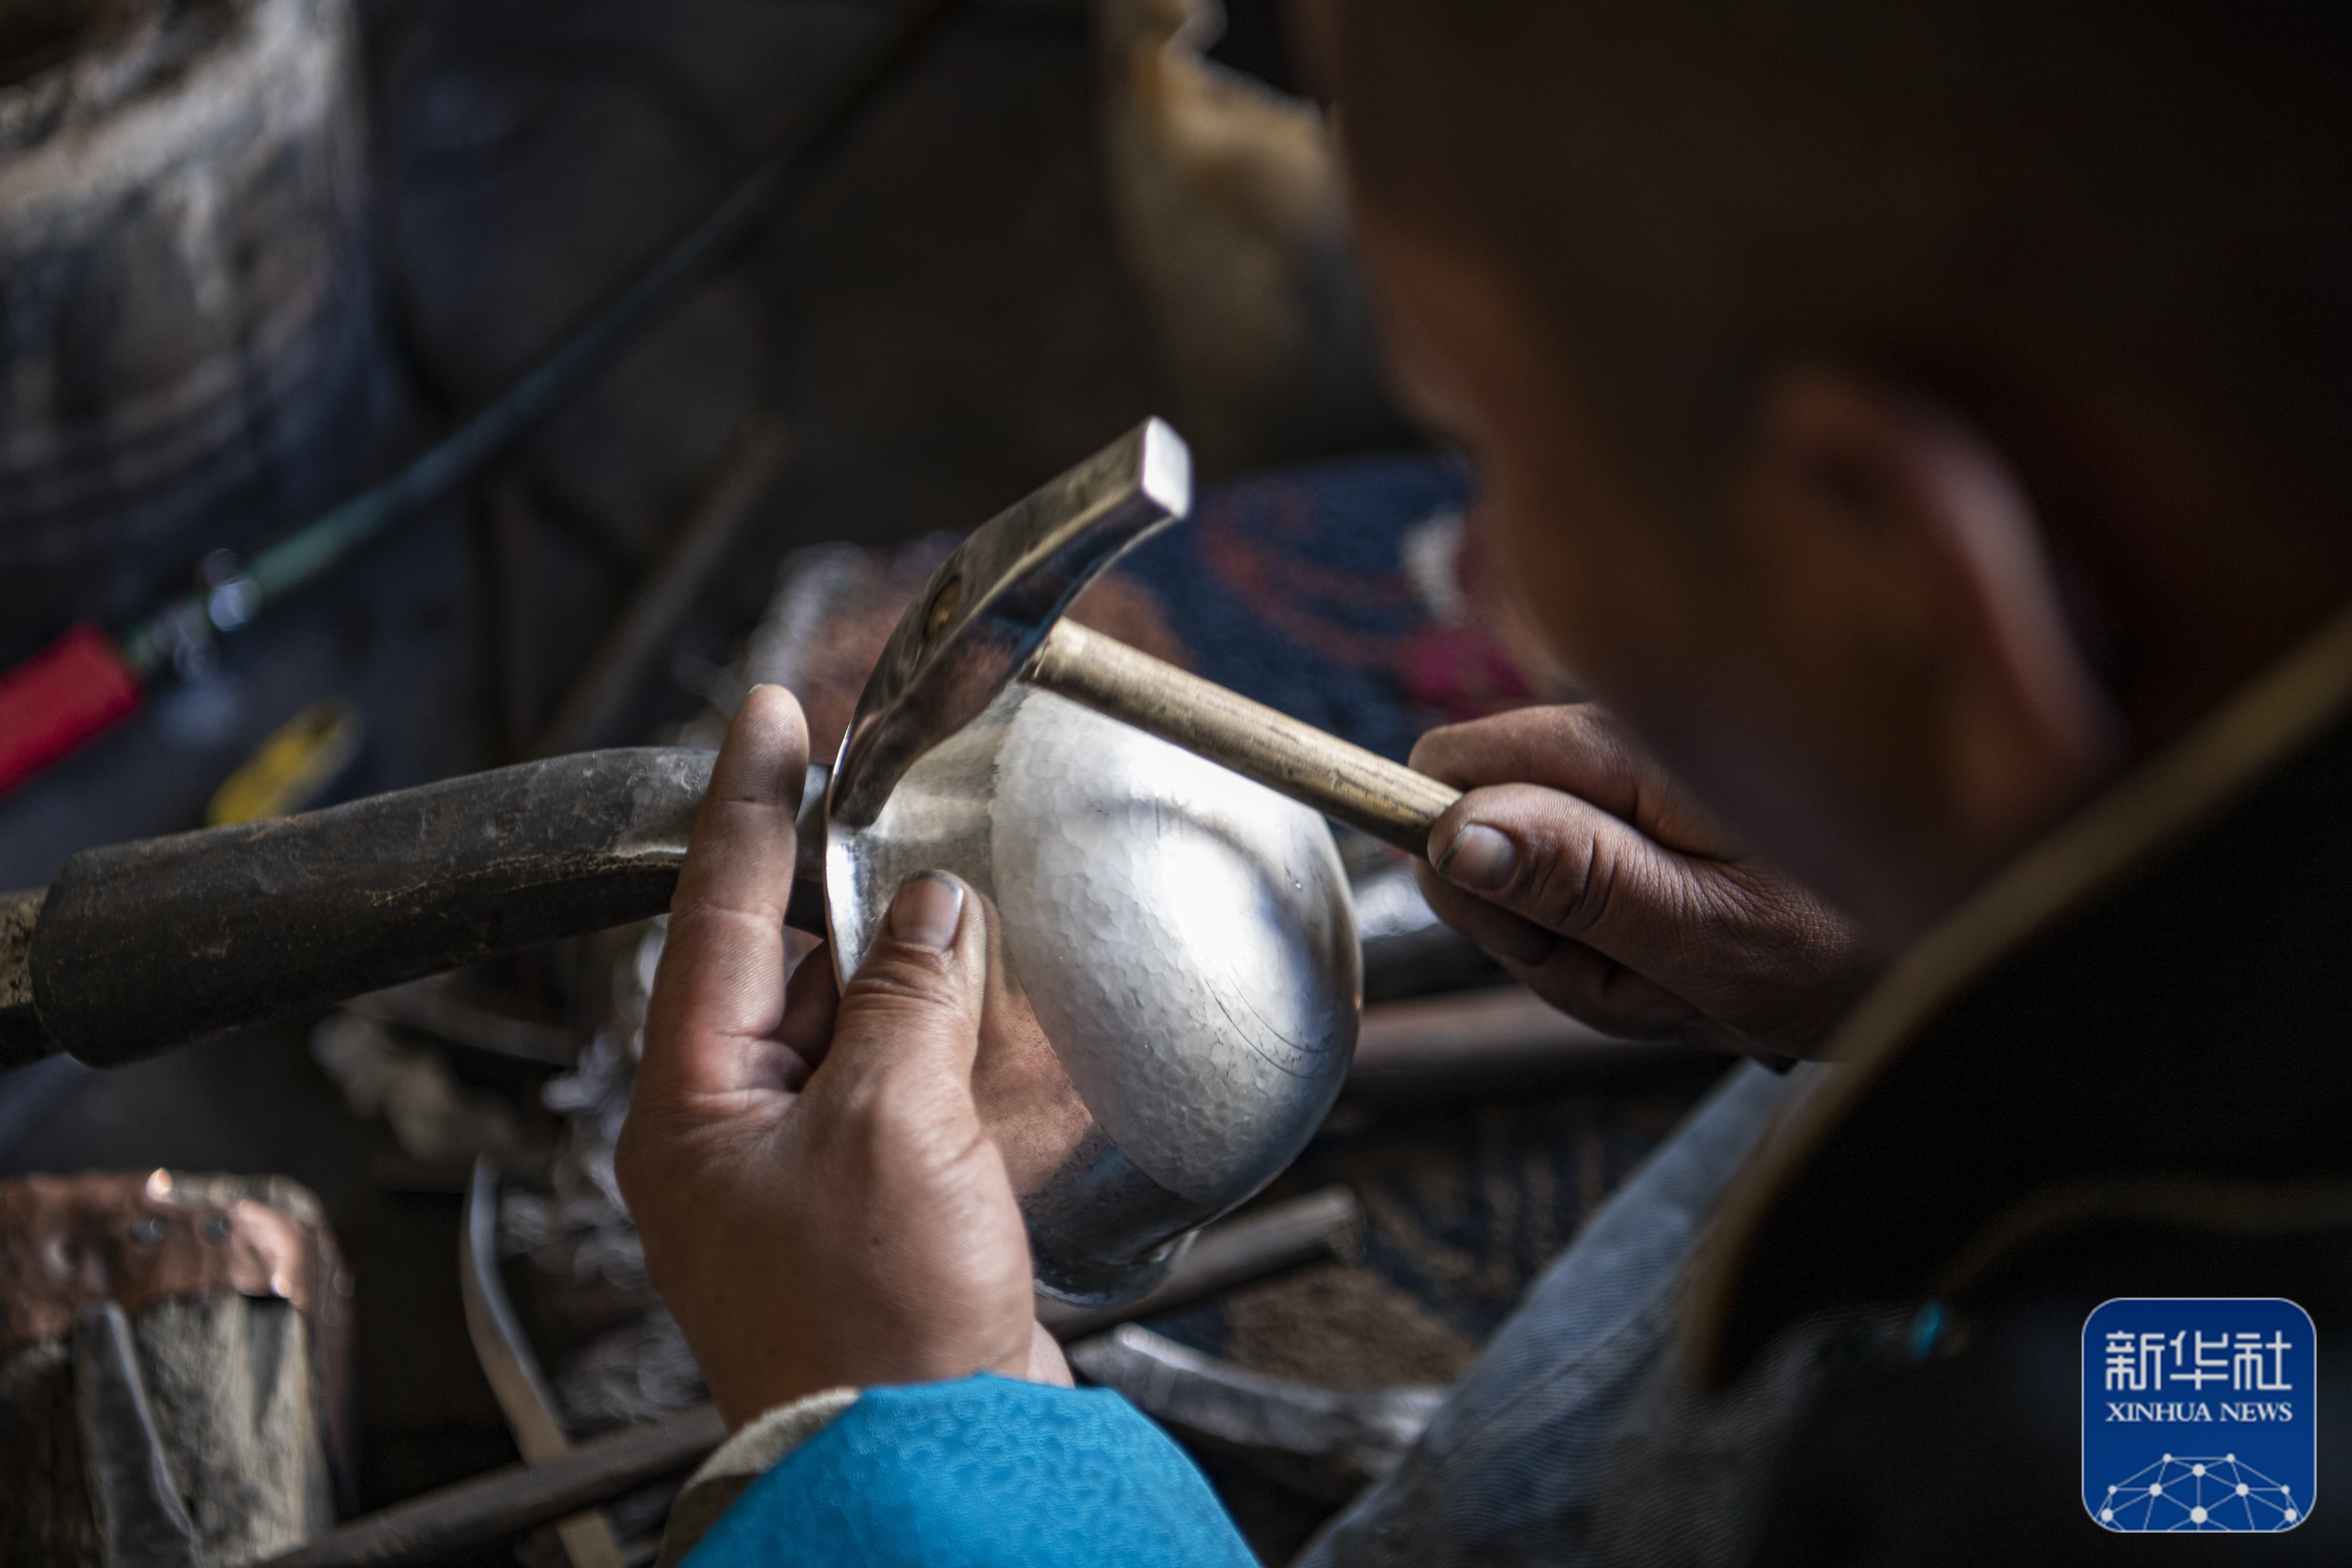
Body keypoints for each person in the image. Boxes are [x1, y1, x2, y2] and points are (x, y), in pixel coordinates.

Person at [615, 1, 2352, 1562]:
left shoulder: (2123, 1466)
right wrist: (1971, 912)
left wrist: (928, 1442)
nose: (1480, 558)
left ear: (1899, 603)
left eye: (1488, 448)